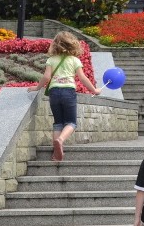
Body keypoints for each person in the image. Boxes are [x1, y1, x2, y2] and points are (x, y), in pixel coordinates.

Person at [27, 32, 102, 161]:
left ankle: (56, 154)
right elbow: (83, 78)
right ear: (73, 45)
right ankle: (61, 140)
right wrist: (94, 90)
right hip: (68, 92)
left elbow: (46, 77)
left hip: (54, 93)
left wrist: (37, 87)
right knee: (71, 122)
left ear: (55, 44)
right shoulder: (74, 60)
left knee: (58, 123)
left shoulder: (51, 60)